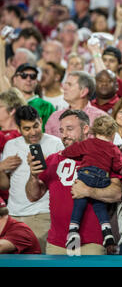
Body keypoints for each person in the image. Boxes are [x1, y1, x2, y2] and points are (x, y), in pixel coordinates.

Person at [26, 109, 122, 255]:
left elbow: (117, 194)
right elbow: (33, 195)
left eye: (69, 129)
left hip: (91, 243)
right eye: (61, 130)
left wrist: (88, 191)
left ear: (85, 129)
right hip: (57, 243)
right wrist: (33, 176)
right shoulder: (53, 159)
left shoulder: (105, 157)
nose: (64, 135)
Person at [0, 105, 64, 252]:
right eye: (27, 128)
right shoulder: (11, 145)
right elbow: (4, 185)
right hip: (13, 215)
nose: (33, 132)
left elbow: (61, 180)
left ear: (41, 121)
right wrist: (1, 168)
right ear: (18, 128)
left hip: (42, 214)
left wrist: (48, 164)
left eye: (36, 126)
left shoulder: (55, 143)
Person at [60, 115, 122, 249]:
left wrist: (63, 153)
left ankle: (73, 230)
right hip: (103, 177)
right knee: (99, 203)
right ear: (113, 133)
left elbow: (72, 151)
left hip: (86, 174)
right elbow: (119, 166)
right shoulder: (114, 149)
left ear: (93, 131)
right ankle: (107, 232)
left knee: (80, 201)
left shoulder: (88, 143)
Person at [45, 71, 107, 138]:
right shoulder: (55, 117)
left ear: (83, 92)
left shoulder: (100, 118)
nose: (64, 88)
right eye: (65, 84)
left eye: (69, 84)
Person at [10, 63, 56, 130]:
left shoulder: (47, 106)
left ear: (36, 81)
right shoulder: (7, 105)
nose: (28, 79)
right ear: (14, 79)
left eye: (33, 76)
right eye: (24, 75)